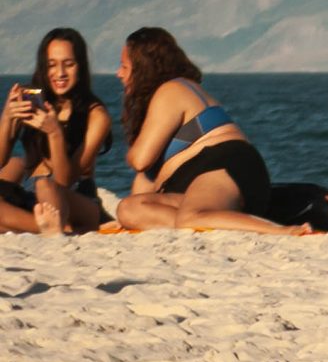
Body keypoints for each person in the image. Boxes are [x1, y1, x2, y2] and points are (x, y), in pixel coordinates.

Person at [108, 27, 310, 235]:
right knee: (129, 209)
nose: (119, 74)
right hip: (198, 184)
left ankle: (282, 231)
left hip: (223, 166)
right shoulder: (168, 98)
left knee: (190, 217)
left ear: (143, 69)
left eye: (124, 66)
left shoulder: (172, 90)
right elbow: (145, 179)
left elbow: (140, 160)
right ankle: (228, 222)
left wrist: (132, 147)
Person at [1, 28, 115, 234]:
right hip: (31, 199)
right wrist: (7, 118)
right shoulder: (32, 100)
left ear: (80, 66)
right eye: (52, 65)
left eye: (68, 64)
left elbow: (65, 182)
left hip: (76, 201)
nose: (60, 73)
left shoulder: (96, 115)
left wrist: (54, 134)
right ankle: (44, 226)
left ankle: (52, 225)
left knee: (45, 185)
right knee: (16, 164)